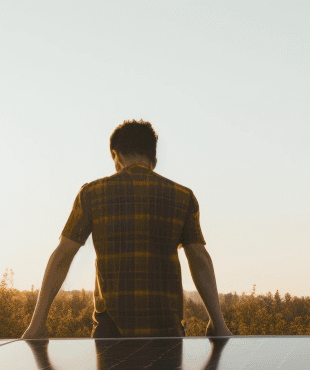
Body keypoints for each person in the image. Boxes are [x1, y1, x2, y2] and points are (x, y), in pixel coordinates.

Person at [21, 120, 231, 339]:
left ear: (116, 155)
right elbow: (199, 259)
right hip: (166, 332)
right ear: (154, 158)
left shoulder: (92, 193)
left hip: (111, 333)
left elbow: (63, 255)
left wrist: (37, 324)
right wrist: (218, 323)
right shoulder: (183, 197)